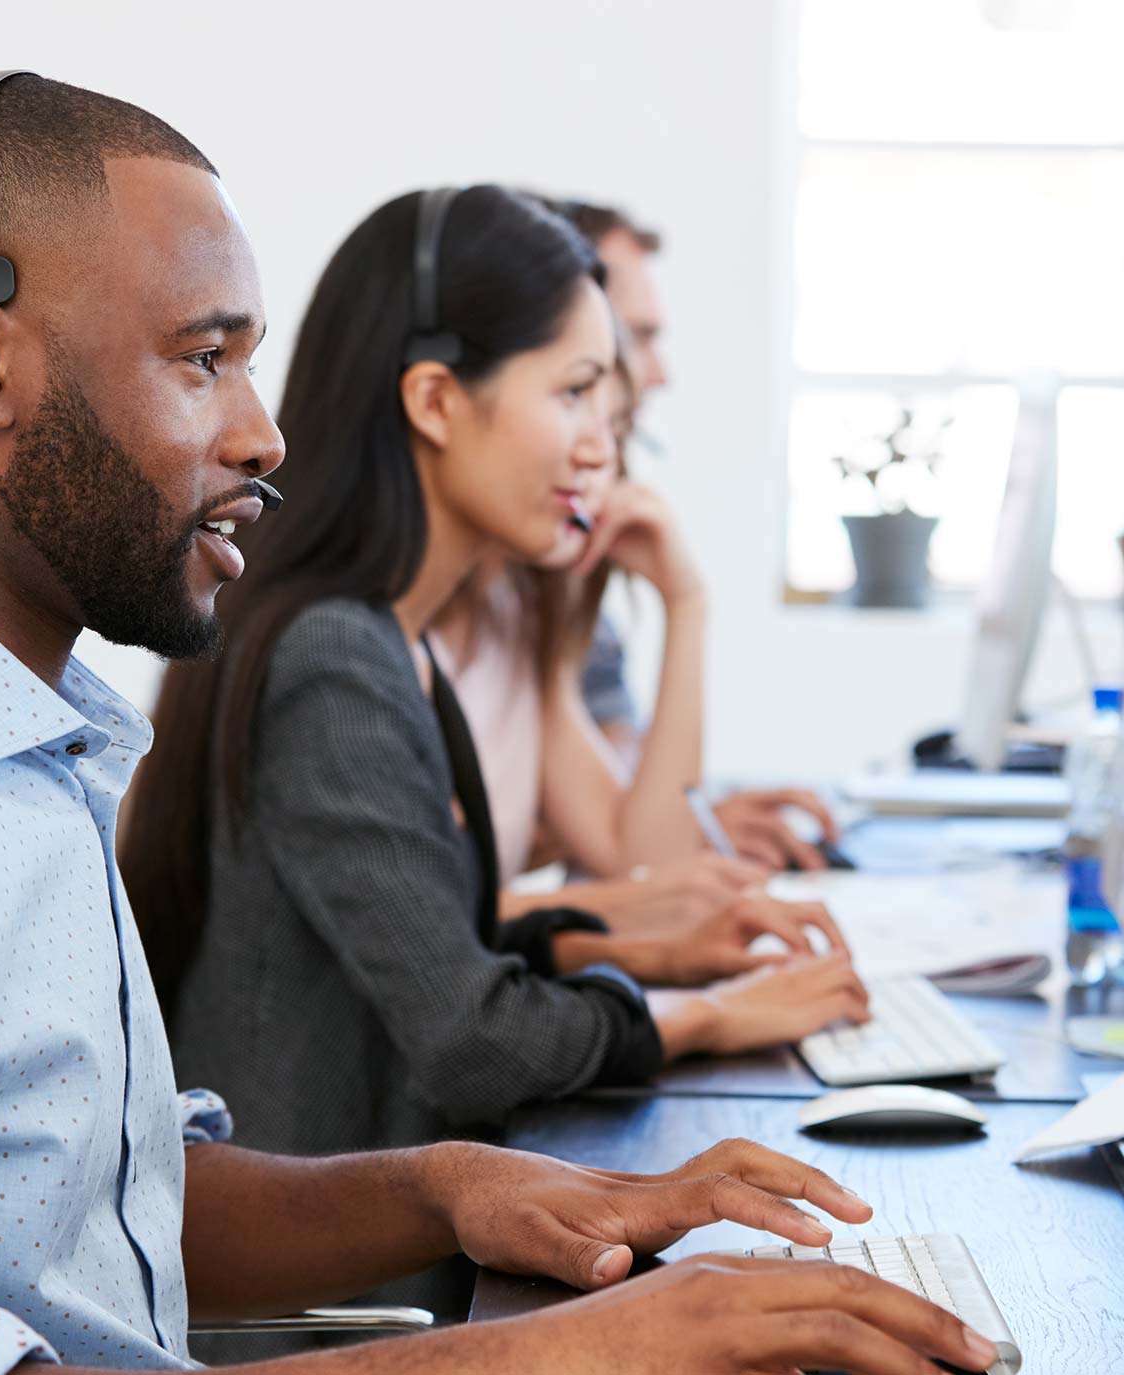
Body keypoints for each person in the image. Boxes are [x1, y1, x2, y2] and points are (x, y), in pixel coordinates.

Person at [0, 75, 993, 1375]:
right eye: (202, 358)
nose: (264, 430)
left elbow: (102, 1202)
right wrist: (560, 1346)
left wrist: (450, 1186)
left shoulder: (1, 755)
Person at [127, 187, 869, 1167]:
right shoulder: (333, 656)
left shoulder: (394, 636)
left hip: (393, 1217)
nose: (602, 444)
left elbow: (440, 940)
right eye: (571, 394)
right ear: (433, 400)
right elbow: (470, 1038)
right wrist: (702, 1016)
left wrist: (632, 952)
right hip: (343, 1288)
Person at [534, 199, 844, 874]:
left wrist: (688, 601)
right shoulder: (382, 631)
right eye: (635, 340)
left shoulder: (547, 575)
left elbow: (630, 834)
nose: (656, 373)